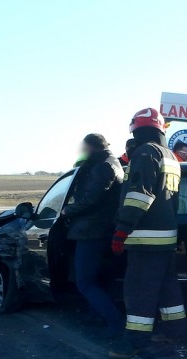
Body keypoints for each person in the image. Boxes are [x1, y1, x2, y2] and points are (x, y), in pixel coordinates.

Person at [109, 108, 186, 359]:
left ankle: (134, 341)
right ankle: (176, 331)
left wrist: (122, 229)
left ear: (137, 130)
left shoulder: (145, 153)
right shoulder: (171, 157)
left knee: (139, 292)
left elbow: (140, 195)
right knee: (167, 289)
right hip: (166, 238)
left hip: (145, 238)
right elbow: (172, 200)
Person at [60, 133, 125, 336]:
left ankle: (115, 322)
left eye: (84, 147)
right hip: (103, 230)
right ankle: (95, 316)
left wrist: (67, 211)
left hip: (92, 231)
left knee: (85, 282)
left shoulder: (103, 165)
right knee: (98, 279)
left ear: (90, 147)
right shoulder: (112, 162)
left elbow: (91, 199)